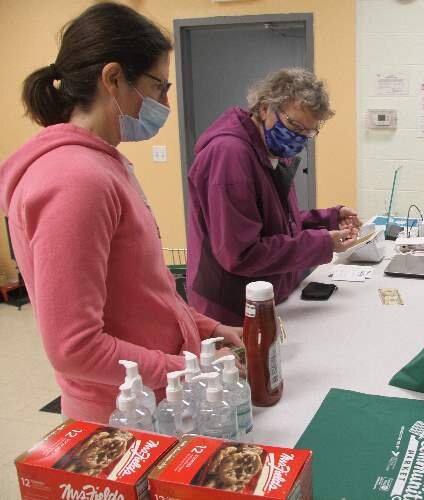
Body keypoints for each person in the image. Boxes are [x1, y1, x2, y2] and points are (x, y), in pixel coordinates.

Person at [0, 3, 242, 424]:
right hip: (123, 415)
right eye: (158, 87)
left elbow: (145, 292)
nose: (165, 102)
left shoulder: (103, 163)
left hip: (162, 397)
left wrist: (208, 329)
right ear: (113, 78)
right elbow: (75, 349)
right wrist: (193, 369)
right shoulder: (75, 179)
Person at [187, 68, 361, 326]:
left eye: (307, 132)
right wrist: (322, 244)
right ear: (266, 107)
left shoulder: (272, 149)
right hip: (231, 308)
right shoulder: (229, 155)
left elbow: (275, 222)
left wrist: (328, 219)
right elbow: (241, 253)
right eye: (293, 125)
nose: (297, 138)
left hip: (267, 296)